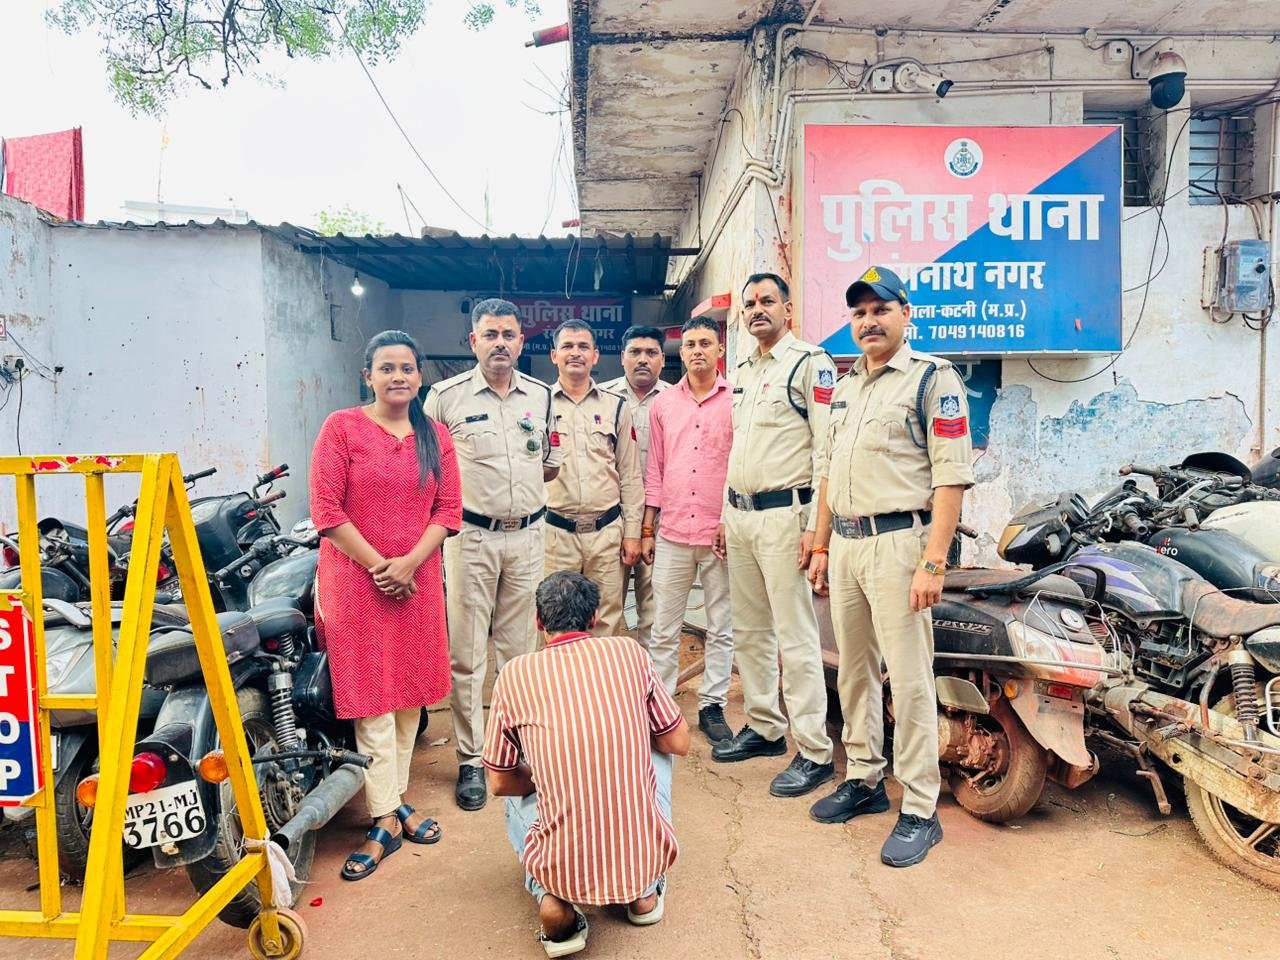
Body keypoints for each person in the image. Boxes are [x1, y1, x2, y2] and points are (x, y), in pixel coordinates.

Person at [807, 266, 974, 868]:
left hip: (901, 545)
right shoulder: (847, 385)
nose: (869, 322)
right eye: (859, 313)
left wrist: (934, 561)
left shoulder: (932, 378)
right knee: (853, 672)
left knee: (908, 677)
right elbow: (829, 472)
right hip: (848, 544)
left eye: (880, 310)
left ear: (906, 314)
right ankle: (864, 779)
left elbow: (951, 476)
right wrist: (821, 545)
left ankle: (921, 807)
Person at [309, 329, 462, 881]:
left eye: (407, 368)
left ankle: (393, 800)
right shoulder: (341, 428)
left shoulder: (435, 435)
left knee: (409, 696)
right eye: (387, 368)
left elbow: (448, 510)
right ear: (367, 376)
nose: (398, 376)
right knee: (373, 699)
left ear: (420, 377)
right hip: (356, 583)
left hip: (416, 583)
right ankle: (383, 818)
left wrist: (409, 564)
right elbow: (326, 511)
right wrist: (382, 566)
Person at [484, 571, 690, 958]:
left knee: (513, 781)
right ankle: (643, 893)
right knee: (659, 744)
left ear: (539, 621)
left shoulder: (514, 675)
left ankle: (549, 893)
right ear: (594, 618)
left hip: (563, 866)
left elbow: (497, 782)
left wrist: (543, 777)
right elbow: (679, 742)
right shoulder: (629, 653)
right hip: (638, 854)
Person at [425, 297, 561, 813]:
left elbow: (548, 461)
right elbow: (424, 469)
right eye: (490, 334)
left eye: (508, 334)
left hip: (528, 538)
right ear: (473, 341)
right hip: (470, 538)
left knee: (519, 654)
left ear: (522, 342)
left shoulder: (541, 396)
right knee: (467, 655)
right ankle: (470, 758)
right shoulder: (445, 398)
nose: (500, 343)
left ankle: (514, 750)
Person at [711, 273, 837, 800]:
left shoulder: (810, 364)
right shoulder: (743, 370)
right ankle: (765, 726)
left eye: (767, 301)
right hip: (741, 516)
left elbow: (827, 451)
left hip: (786, 518)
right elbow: (738, 450)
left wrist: (816, 531)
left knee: (796, 636)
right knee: (750, 630)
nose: (757, 309)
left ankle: (815, 751)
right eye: (750, 303)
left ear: (788, 308)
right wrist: (725, 514)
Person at [641, 317, 735, 744]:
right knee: (664, 626)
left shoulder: (736, 400)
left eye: (705, 343)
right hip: (673, 532)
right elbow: (655, 470)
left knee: (721, 626)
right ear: (681, 352)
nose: (698, 350)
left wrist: (729, 519)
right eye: (691, 343)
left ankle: (712, 704)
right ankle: (660, 706)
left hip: (720, 534)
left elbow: (740, 465)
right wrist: (648, 528)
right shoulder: (663, 404)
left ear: (719, 350)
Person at [544, 319, 644, 637]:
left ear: (596, 355)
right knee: (554, 619)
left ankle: (600, 672)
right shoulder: (539, 404)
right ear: (554, 355)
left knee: (606, 617)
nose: (576, 353)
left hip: (606, 534)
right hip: (555, 534)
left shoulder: (616, 406)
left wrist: (632, 534)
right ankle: (558, 674)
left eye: (583, 347)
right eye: (567, 346)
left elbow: (630, 474)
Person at [601, 326, 669, 650]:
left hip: (662, 520)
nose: (643, 359)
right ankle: (611, 674)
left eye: (651, 353)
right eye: (635, 352)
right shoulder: (602, 398)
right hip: (612, 519)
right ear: (622, 357)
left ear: (663, 359)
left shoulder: (674, 400)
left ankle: (650, 676)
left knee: (655, 609)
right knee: (608, 606)